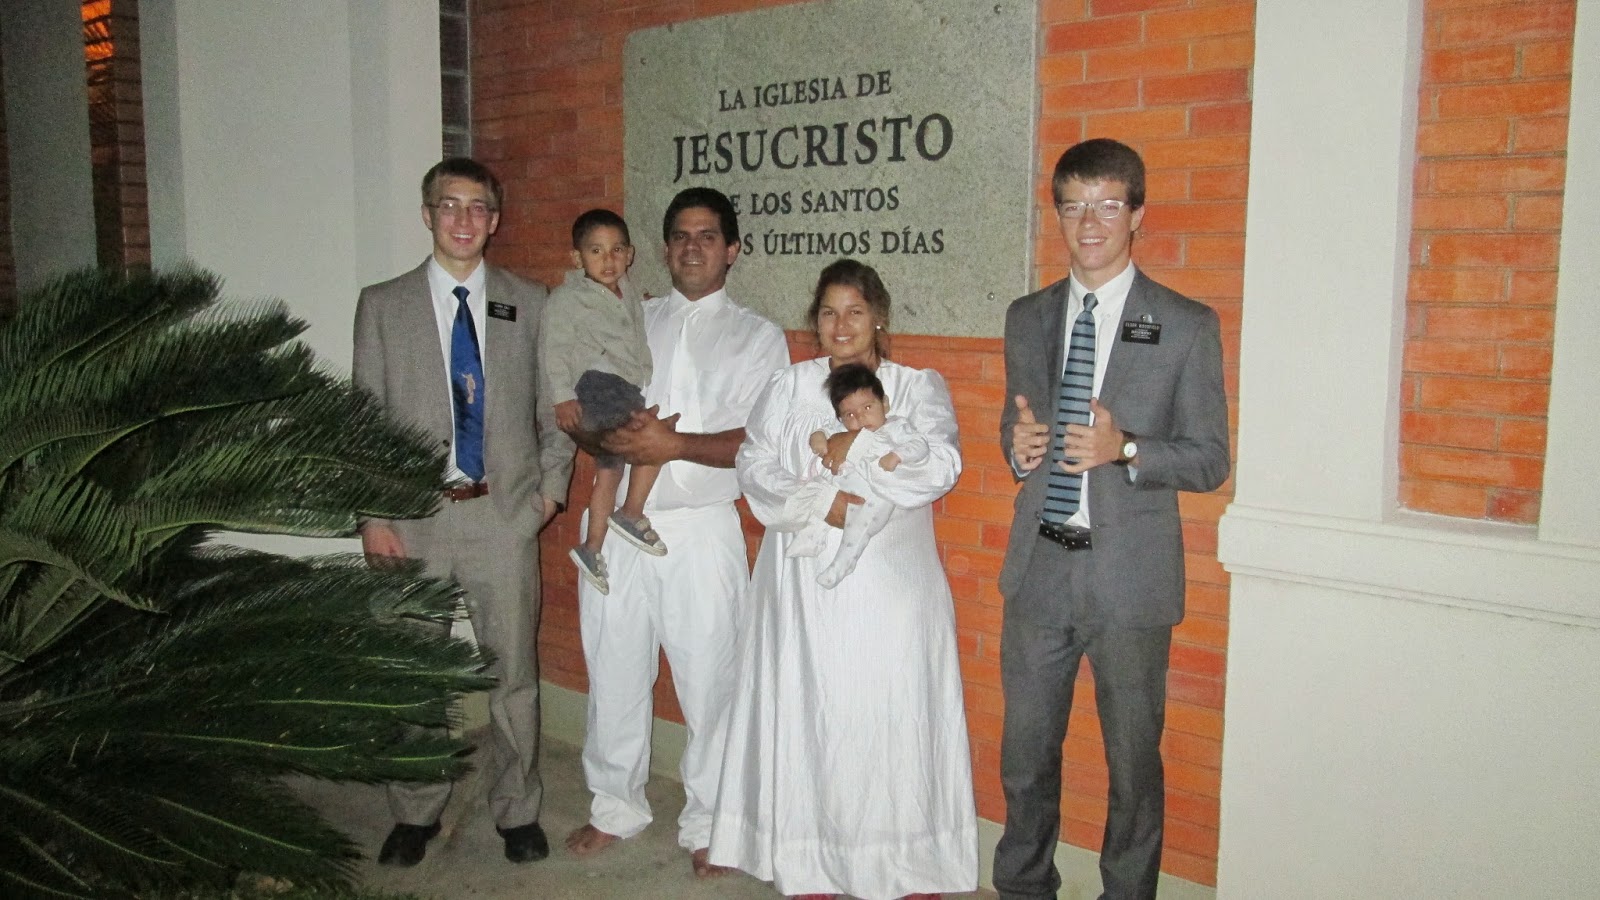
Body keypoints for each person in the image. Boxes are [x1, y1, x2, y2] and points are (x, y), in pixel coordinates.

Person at [992, 138, 1230, 900]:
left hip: (1129, 583)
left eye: (1106, 205)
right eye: (1073, 207)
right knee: (1025, 758)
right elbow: (1017, 420)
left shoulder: (1186, 325)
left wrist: (1123, 447)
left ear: (1136, 214)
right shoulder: (1028, 317)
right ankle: (1024, 888)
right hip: (1040, 571)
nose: (1088, 223)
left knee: (1132, 769)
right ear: (1058, 216)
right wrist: (1018, 445)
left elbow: (1209, 460)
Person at [709, 258, 978, 900]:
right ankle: (813, 863)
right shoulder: (789, 386)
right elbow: (754, 463)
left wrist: (860, 453)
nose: (841, 324)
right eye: (829, 312)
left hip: (891, 586)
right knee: (813, 712)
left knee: (889, 714)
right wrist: (821, 503)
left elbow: (939, 467)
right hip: (802, 587)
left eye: (855, 311)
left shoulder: (915, 387)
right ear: (814, 320)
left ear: (878, 316)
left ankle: (906, 865)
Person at [563, 188, 789, 877]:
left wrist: (673, 445)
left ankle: (713, 822)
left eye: (707, 235)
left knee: (711, 681)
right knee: (613, 667)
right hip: (613, 525)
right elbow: (578, 396)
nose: (693, 247)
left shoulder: (758, 337)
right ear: (664, 249)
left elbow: (762, 440)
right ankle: (615, 806)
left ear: (732, 250)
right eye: (681, 236)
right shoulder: (628, 316)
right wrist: (606, 435)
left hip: (699, 530)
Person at [352, 158, 568, 866]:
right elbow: (364, 420)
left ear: (495, 220)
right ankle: (415, 811)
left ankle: (518, 811)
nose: (464, 219)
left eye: (478, 207)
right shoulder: (382, 305)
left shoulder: (529, 301)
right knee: (415, 673)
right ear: (427, 214)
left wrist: (548, 494)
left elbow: (554, 410)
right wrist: (373, 517)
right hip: (411, 521)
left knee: (513, 676)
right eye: (450, 205)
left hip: (502, 519)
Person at [539, 208, 664, 596]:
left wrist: (643, 301)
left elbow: (630, 319)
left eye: (616, 250)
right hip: (598, 385)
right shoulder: (568, 299)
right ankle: (630, 513)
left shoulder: (627, 290)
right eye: (596, 251)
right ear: (577, 258)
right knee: (654, 439)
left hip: (623, 385)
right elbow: (554, 349)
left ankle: (591, 548)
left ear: (629, 254)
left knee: (609, 470)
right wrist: (562, 397)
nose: (608, 260)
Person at [790, 361, 931, 589]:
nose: (860, 418)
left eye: (867, 408)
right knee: (820, 496)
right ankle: (811, 537)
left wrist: (897, 455)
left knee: (859, 527)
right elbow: (825, 431)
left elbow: (920, 445)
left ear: (884, 404)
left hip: (875, 494)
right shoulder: (843, 431)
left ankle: (843, 564)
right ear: (841, 419)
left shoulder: (896, 427)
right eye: (850, 414)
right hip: (844, 485)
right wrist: (818, 437)